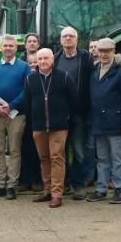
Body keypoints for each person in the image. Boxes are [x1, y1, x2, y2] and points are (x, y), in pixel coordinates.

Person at [85, 38, 121, 204]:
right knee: (102, 158)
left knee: (118, 158)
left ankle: (120, 189)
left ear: (114, 51)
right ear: (97, 52)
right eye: (101, 51)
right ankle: (101, 189)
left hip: (116, 122)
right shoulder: (94, 70)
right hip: (98, 122)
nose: (104, 54)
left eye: (107, 51)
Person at [24, 48, 76, 208]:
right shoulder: (30, 79)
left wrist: (66, 118)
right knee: (44, 159)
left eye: (46, 58)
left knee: (57, 158)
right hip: (39, 127)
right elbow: (27, 103)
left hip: (58, 127)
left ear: (52, 59)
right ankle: (46, 190)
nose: (42, 62)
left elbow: (74, 101)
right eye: (39, 59)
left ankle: (56, 194)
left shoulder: (64, 77)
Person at [0, 34, 31, 200]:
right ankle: (0, 185)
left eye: (11, 46)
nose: (8, 48)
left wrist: (11, 106)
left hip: (16, 115)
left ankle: (12, 185)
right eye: (5, 45)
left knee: (14, 150)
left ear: (16, 47)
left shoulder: (24, 67)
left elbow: (26, 90)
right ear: (0, 47)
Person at [54, 26, 94, 200]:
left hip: (79, 113)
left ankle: (78, 185)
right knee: (61, 151)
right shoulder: (55, 59)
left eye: (71, 36)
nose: (68, 39)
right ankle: (66, 183)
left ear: (77, 40)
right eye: (65, 36)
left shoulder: (86, 58)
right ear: (61, 40)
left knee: (79, 151)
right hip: (61, 114)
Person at [18, 33, 43, 193]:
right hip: (24, 113)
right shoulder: (21, 67)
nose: (34, 64)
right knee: (25, 147)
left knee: (40, 149)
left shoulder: (46, 69)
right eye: (29, 41)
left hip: (40, 115)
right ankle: (25, 180)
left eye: (35, 41)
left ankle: (39, 180)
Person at [85, 39, 99, 187]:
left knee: (105, 147)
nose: (93, 49)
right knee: (89, 146)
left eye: (96, 47)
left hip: (103, 113)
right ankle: (89, 175)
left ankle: (109, 177)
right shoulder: (87, 66)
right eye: (91, 47)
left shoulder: (111, 67)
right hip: (89, 111)